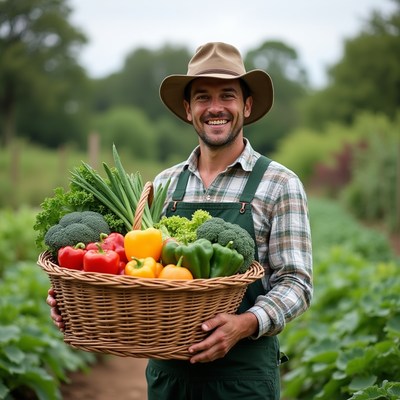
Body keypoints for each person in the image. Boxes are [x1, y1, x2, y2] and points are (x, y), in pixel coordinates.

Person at [47, 42, 313, 400]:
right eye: (202, 97)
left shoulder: (279, 183)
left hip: (243, 379)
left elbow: (297, 282)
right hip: (169, 378)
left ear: (246, 106)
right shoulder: (164, 184)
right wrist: (81, 303)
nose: (215, 108)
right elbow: (135, 275)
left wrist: (244, 324)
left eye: (228, 96)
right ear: (188, 110)